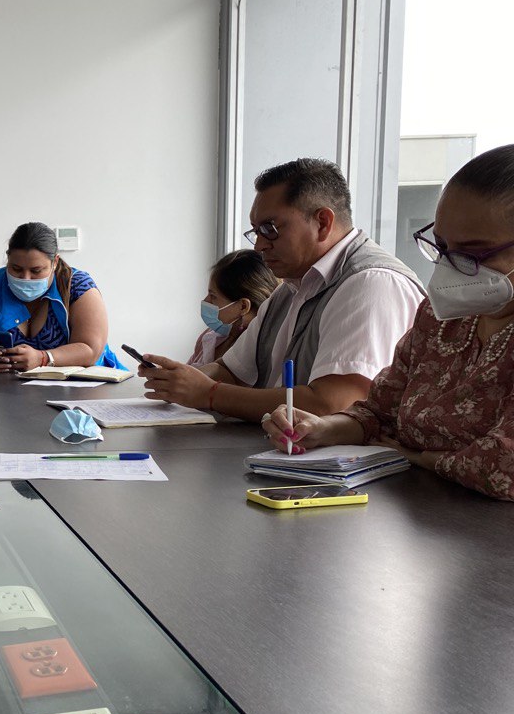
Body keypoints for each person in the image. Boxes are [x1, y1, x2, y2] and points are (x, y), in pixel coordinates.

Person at [263, 145, 514, 501]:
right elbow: (380, 412)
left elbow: (504, 467)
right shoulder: (440, 318)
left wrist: (416, 458)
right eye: (441, 247)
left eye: (472, 253)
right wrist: (322, 428)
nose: (449, 267)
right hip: (416, 512)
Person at [140, 158, 424, 420]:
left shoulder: (371, 283)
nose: (259, 246)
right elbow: (232, 371)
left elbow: (332, 404)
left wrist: (208, 393)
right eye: (256, 231)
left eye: (270, 229)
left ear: (322, 223)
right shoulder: (291, 287)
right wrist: (180, 379)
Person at [0, 221, 121, 372]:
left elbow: (90, 349)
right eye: (16, 269)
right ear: (8, 259)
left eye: (36, 270)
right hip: (5, 391)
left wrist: (43, 358)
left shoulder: (78, 287)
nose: (26, 278)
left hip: (86, 388)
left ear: (55, 262)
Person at [188, 249, 279, 367]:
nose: (206, 301)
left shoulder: (258, 350)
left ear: (243, 306)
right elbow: (187, 371)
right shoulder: (209, 335)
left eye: (213, 296)